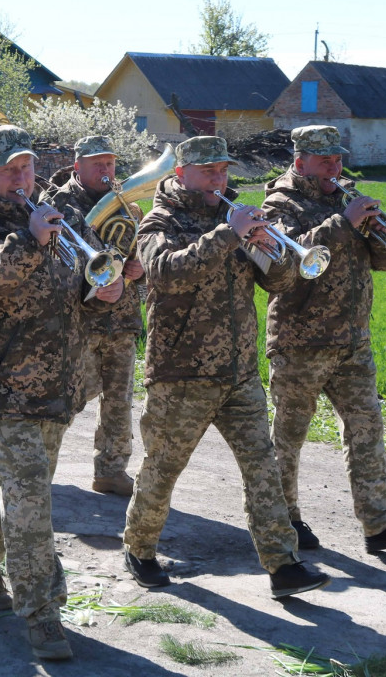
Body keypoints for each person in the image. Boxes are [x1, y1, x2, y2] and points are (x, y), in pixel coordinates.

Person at [0, 124, 123, 661]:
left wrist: (103, 290)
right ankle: (43, 613)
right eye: (10, 169)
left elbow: (80, 289)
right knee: (33, 498)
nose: (23, 178)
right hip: (0, 390)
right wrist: (27, 240)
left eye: (28, 168)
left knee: (21, 492)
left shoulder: (57, 216)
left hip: (56, 388)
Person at [121, 135, 331, 599]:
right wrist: (227, 235)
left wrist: (270, 248)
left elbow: (277, 283)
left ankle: (283, 564)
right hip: (181, 374)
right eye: (209, 171)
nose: (219, 179)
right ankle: (139, 548)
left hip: (238, 373)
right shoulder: (159, 221)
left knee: (263, 467)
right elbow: (166, 273)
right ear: (181, 174)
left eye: (223, 170)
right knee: (163, 467)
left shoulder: (235, 218)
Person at [262, 125, 386, 554]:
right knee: (288, 436)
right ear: (301, 162)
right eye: (325, 162)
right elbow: (285, 257)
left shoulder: (346, 196)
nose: (335, 167)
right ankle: (287, 521)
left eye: (338, 159)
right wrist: (343, 223)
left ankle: (378, 524)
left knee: (366, 429)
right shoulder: (280, 202)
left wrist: (381, 233)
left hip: (352, 339)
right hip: (300, 342)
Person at [47, 135, 145, 496]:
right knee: (72, 394)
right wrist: (91, 286)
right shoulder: (57, 204)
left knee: (119, 399)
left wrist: (139, 269)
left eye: (110, 164)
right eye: (97, 164)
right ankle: (36, 460)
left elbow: (137, 251)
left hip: (120, 319)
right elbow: (52, 263)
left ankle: (111, 470)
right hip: (79, 319)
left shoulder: (127, 205)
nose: (106, 171)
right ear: (78, 166)